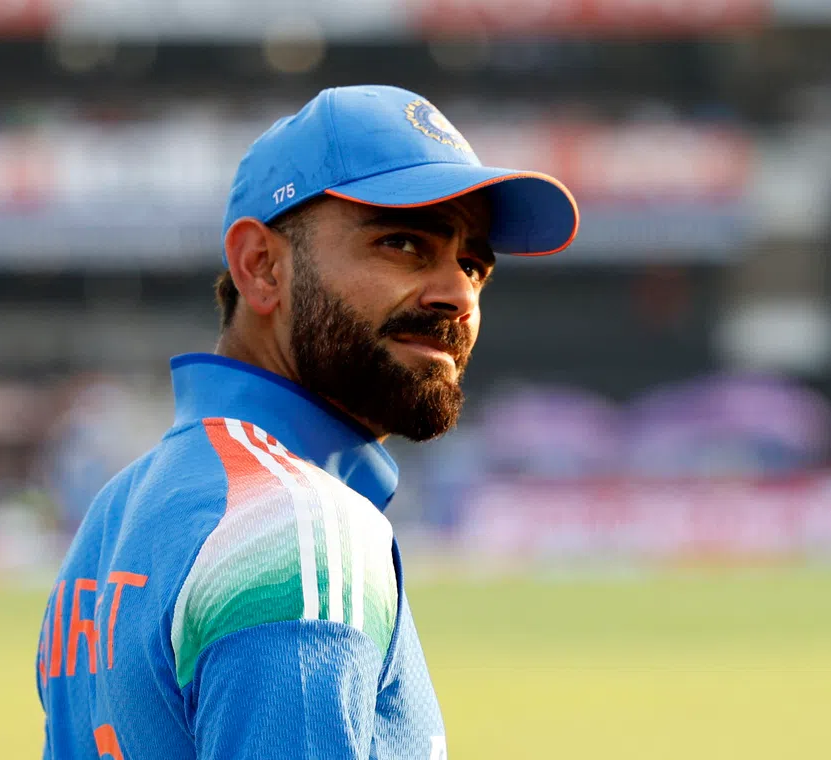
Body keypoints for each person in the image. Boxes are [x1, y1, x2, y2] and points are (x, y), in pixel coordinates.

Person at [35, 85, 579, 760]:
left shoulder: (119, 511)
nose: (458, 295)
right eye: (404, 243)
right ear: (261, 267)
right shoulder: (296, 527)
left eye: (472, 264)